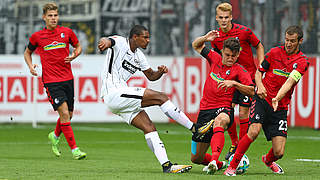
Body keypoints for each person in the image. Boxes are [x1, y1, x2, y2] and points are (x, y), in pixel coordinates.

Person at [98, 25, 212, 173]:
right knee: (161, 97)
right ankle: (194, 128)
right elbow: (107, 41)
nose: (148, 40)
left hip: (120, 98)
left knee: (149, 127)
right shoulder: (119, 42)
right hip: (113, 92)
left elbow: (151, 76)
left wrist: (160, 72)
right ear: (135, 37)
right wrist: (104, 42)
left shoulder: (139, 56)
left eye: (148, 37)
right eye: (145, 37)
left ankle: (167, 166)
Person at [224, 25, 309, 176]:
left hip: (280, 107)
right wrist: (260, 85)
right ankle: (232, 166)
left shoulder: (302, 62)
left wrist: (277, 97)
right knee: (254, 131)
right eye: (287, 40)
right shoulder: (274, 52)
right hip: (262, 99)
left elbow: (290, 81)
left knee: (279, 152)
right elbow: (259, 72)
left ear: (300, 41)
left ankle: (268, 160)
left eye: (292, 41)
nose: (288, 44)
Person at [24, 2, 86, 160]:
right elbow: (27, 53)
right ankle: (75, 150)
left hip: (68, 79)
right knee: (64, 113)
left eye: (55, 15)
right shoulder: (37, 36)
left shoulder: (67, 32)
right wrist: (31, 66)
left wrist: (75, 55)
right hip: (51, 81)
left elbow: (78, 47)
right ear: (44, 17)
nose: (53, 18)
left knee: (69, 115)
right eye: (50, 16)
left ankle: (55, 135)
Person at [190, 31, 254, 174]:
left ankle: (213, 159)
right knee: (196, 158)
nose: (230, 58)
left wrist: (235, 84)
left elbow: (251, 91)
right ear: (222, 52)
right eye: (227, 55)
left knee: (221, 120)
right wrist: (206, 38)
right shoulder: (214, 58)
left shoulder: (239, 71)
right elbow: (195, 45)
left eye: (233, 56)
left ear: (238, 55)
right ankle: (221, 164)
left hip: (224, 109)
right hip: (205, 110)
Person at [211, 2, 265, 160]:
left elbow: (259, 45)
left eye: (226, 17)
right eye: (220, 17)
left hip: (247, 78)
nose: (224, 20)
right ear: (216, 18)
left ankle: (240, 147)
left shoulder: (244, 31)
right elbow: (217, 58)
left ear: (231, 17)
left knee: (243, 112)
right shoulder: (216, 38)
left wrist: (261, 69)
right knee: (227, 110)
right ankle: (234, 142)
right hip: (229, 78)